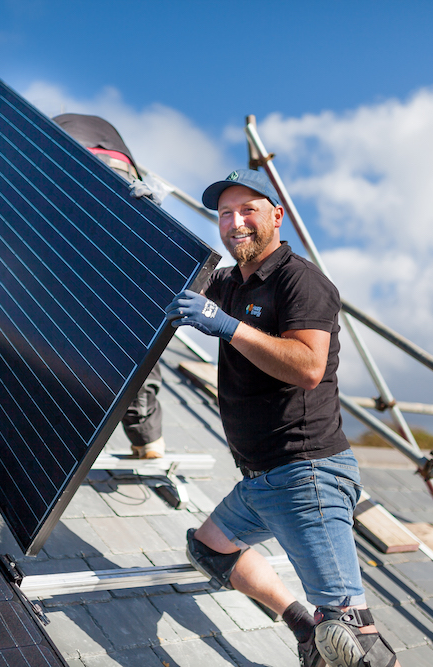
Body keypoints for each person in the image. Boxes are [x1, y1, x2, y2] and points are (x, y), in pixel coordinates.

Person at [166, 169, 399, 667]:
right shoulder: (230, 281)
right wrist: (142, 211)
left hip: (305, 474)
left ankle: (328, 633)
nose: (235, 222)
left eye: (248, 210)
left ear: (277, 215)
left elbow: (309, 367)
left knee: (355, 639)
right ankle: (303, 627)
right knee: (210, 550)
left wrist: (227, 326)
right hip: (259, 482)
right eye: (225, 214)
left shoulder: (301, 281)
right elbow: (166, 271)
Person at [54, 113, 167, 459]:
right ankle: (146, 436)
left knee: (83, 296)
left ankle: (145, 436)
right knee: (128, 309)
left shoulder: (53, 134)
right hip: (116, 170)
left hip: (70, 163)